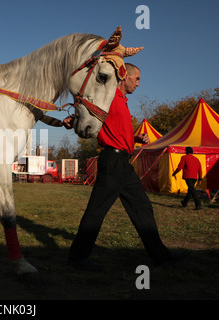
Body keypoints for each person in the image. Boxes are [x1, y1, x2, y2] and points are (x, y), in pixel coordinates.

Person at [63, 63, 186, 271]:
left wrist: (135, 137)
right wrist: (73, 118)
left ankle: (160, 255)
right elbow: (89, 109)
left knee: (142, 206)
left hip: (123, 162)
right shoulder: (108, 97)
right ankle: (78, 256)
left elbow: (117, 129)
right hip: (112, 161)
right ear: (124, 76)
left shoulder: (122, 101)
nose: (139, 83)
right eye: (136, 78)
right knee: (97, 209)